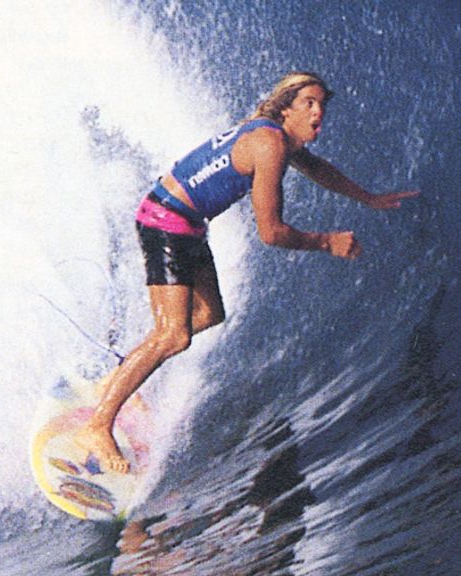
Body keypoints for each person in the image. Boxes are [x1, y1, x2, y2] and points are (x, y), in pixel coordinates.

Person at [74, 71, 419, 473]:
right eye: (308, 102)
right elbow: (271, 233)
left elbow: (318, 168)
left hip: (186, 222)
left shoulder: (279, 138)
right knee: (174, 334)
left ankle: (116, 380)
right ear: (286, 107)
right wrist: (327, 242)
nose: (318, 110)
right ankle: (98, 426)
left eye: (322, 103)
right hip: (166, 219)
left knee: (207, 315)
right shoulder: (269, 144)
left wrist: (368, 198)